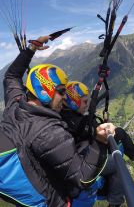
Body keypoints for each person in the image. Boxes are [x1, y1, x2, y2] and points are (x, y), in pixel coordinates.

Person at [0, 36, 124, 207]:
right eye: (61, 92)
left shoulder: (14, 105)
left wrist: (31, 49)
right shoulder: (49, 132)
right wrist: (100, 142)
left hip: (36, 175)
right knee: (113, 164)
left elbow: (11, 77)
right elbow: (83, 177)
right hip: (57, 200)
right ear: (44, 92)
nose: (65, 97)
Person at [61, 80, 134, 161]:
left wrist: (103, 122)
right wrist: (106, 125)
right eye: (85, 102)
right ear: (74, 102)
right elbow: (93, 132)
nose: (86, 105)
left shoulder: (68, 114)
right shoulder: (74, 121)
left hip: (85, 146)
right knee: (119, 132)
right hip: (89, 150)